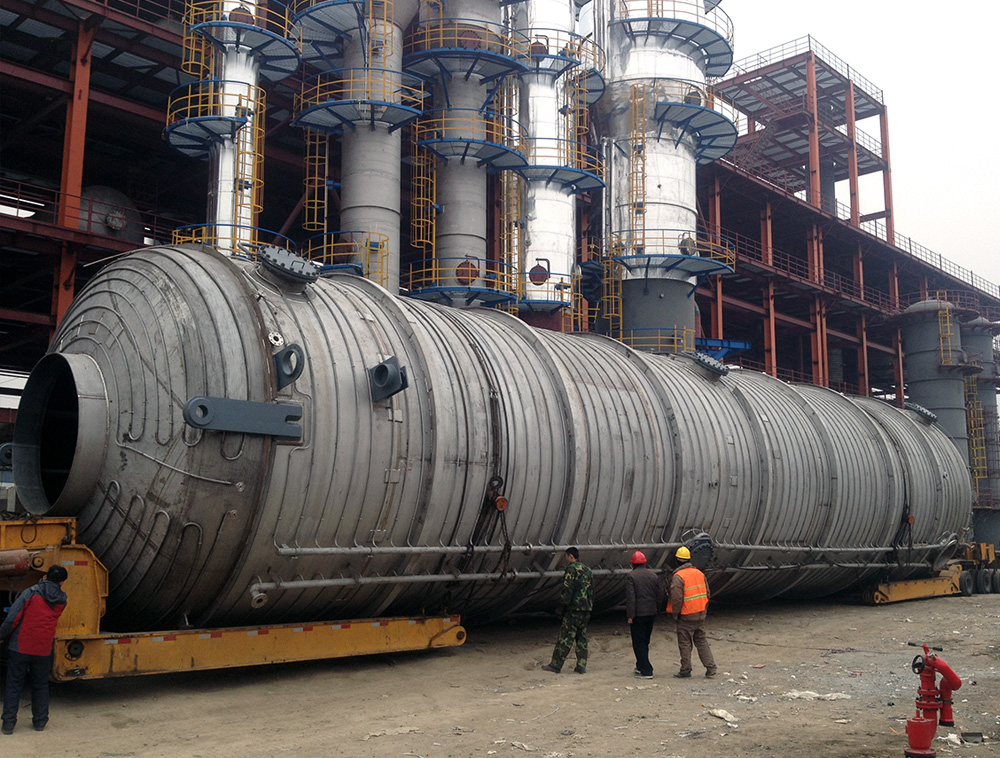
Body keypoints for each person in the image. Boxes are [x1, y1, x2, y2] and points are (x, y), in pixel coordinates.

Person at [1, 565, 69, 734]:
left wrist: (2, 635)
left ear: (45, 576)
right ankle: (40, 722)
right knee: (40, 685)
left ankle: (8, 724)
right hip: (43, 649)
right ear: (62, 582)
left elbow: (12, 618)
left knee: (14, 685)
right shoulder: (62, 600)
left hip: (20, 647)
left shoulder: (30, 593)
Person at [666, 546, 716, 679]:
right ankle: (711, 667)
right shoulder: (699, 573)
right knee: (701, 641)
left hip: (686, 616)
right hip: (700, 614)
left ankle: (685, 670)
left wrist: (676, 615)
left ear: (677, 560)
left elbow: (677, 599)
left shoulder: (678, 577)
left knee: (685, 643)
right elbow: (707, 593)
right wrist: (703, 609)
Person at [541, 547, 593, 674]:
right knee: (581, 637)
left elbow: (567, 590)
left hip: (574, 609)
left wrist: (561, 607)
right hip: (586, 609)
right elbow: (592, 590)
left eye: (566, 557)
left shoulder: (571, 569)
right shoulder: (588, 569)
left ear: (571, 556)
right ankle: (581, 666)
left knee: (565, 637)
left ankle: (556, 665)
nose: (566, 560)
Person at [626, 550, 662, 679]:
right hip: (651, 612)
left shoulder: (631, 576)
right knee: (645, 641)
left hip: (638, 614)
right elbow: (659, 595)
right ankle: (640, 665)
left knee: (638, 642)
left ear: (632, 564)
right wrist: (657, 610)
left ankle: (646, 670)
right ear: (645, 562)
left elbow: (631, 598)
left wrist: (630, 616)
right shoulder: (653, 576)